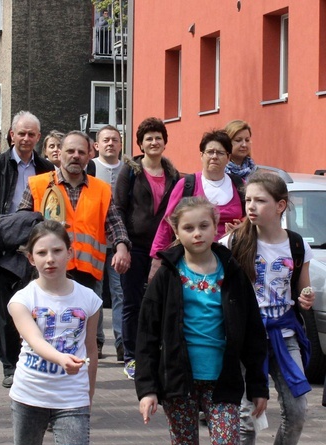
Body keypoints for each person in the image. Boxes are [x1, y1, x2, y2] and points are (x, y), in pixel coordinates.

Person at [136, 196, 269, 445]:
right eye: (189, 228)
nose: (197, 233)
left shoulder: (233, 272)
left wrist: (258, 384)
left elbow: (253, 330)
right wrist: (148, 389)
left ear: (215, 226)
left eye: (204, 226)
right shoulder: (167, 275)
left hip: (222, 382)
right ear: (175, 231)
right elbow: (147, 336)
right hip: (178, 382)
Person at [223, 172, 315, 445]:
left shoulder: (296, 244)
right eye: (248, 200)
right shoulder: (234, 242)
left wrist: (306, 297)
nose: (251, 206)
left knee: (298, 411)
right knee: (247, 416)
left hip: (284, 335)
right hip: (248, 341)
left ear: (280, 206)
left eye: (259, 200)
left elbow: (302, 291)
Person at [8, 220, 102, 445]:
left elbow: (90, 349)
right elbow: (34, 339)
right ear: (30, 258)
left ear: (69, 253)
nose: (50, 259)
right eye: (42, 252)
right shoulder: (22, 300)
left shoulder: (88, 299)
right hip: (29, 394)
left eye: (57, 251)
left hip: (71, 398)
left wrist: (88, 393)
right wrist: (61, 358)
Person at [19, 130, 131, 375]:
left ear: (90, 154)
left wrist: (122, 245)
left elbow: (114, 223)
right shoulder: (39, 185)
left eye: (81, 152)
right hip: (49, 268)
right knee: (45, 323)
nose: (76, 156)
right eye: (70, 151)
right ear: (60, 154)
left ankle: (78, 373)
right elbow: (21, 223)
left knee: (81, 328)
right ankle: (39, 370)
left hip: (87, 272)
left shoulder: (101, 190)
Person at [0, 111, 54, 387]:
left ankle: (36, 360)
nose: (26, 139)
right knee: (8, 309)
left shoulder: (46, 168)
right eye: (22, 133)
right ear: (11, 135)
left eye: (32, 134)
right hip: (5, 245)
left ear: (38, 137)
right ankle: (10, 366)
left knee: (39, 307)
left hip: (37, 245)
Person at [114, 117, 180, 379]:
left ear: (165, 142)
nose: (154, 142)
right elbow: (117, 209)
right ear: (140, 143)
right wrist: (122, 245)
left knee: (160, 303)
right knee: (132, 303)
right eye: (148, 138)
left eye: (158, 137)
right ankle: (131, 357)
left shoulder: (175, 176)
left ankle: (155, 355)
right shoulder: (130, 171)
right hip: (135, 247)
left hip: (164, 250)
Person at [150, 130, 244, 280]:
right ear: (201, 155)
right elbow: (167, 222)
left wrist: (242, 228)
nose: (214, 156)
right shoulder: (187, 185)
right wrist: (157, 258)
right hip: (191, 261)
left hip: (233, 261)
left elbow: (253, 220)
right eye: (210, 152)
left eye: (220, 153)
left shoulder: (240, 186)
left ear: (228, 158)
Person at [92, 125, 129, 362]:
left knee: (120, 292)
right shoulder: (90, 167)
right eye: (105, 140)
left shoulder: (128, 169)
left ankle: (121, 342)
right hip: (94, 241)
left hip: (119, 243)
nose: (110, 144)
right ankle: (95, 342)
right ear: (97, 145)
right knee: (94, 294)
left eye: (115, 140)